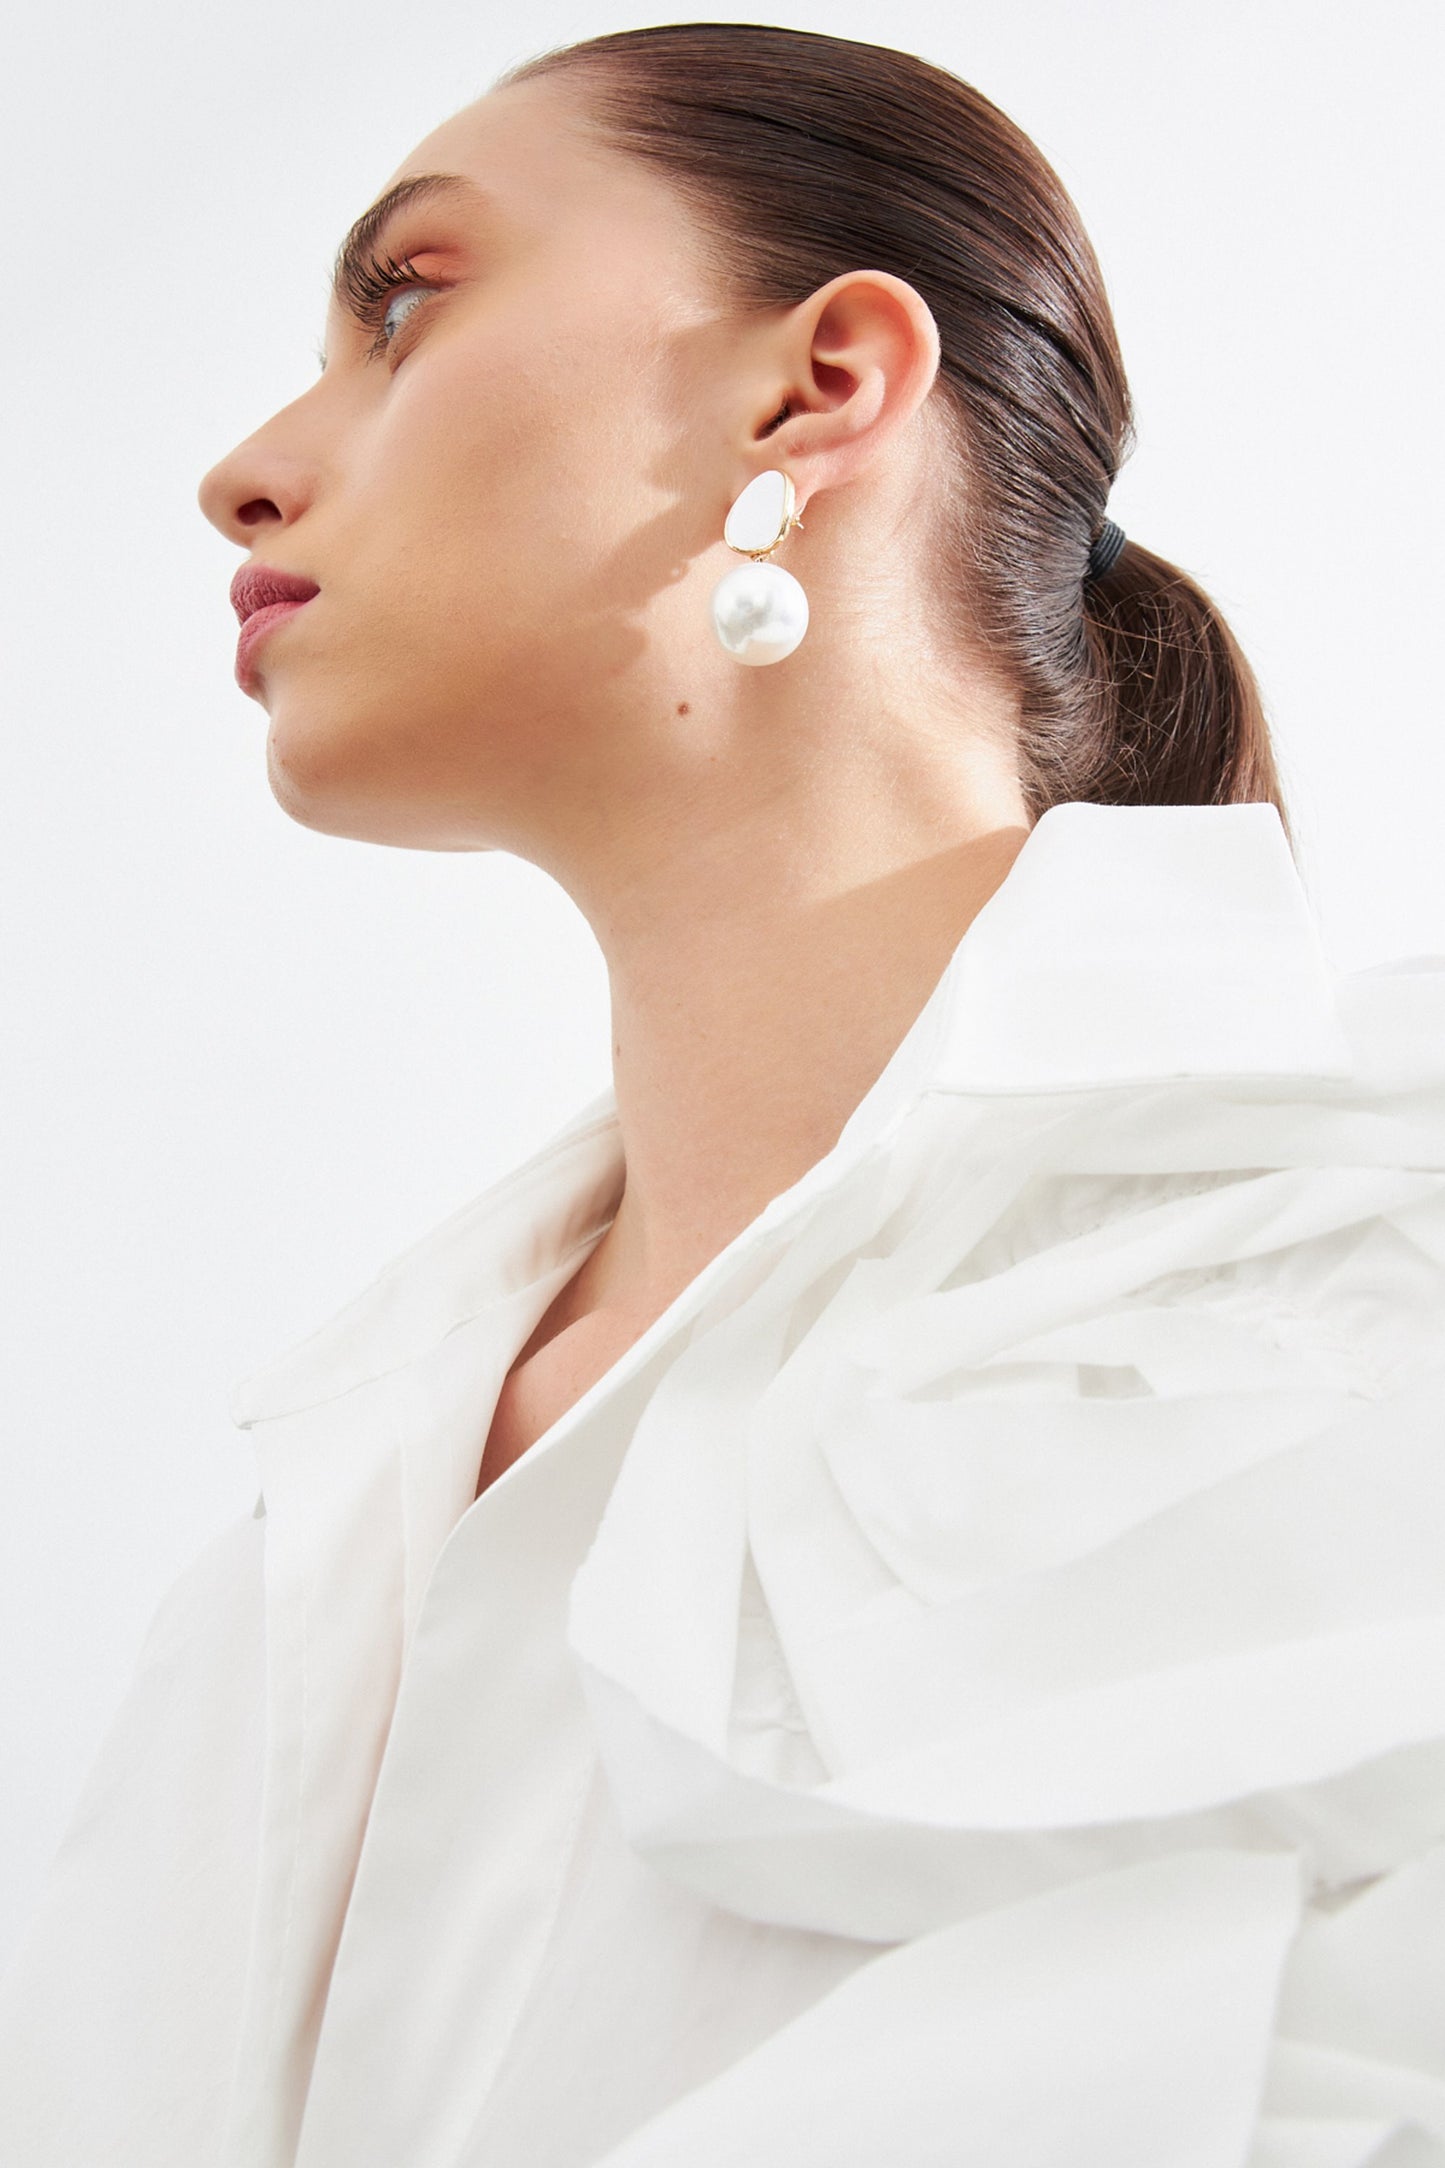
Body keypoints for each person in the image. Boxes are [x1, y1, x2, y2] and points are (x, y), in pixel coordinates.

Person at [3, 22, 1444, 2168]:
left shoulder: (1371, 1324)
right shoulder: (300, 1554)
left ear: (820, 383)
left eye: (406, 301)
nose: (245, 466)